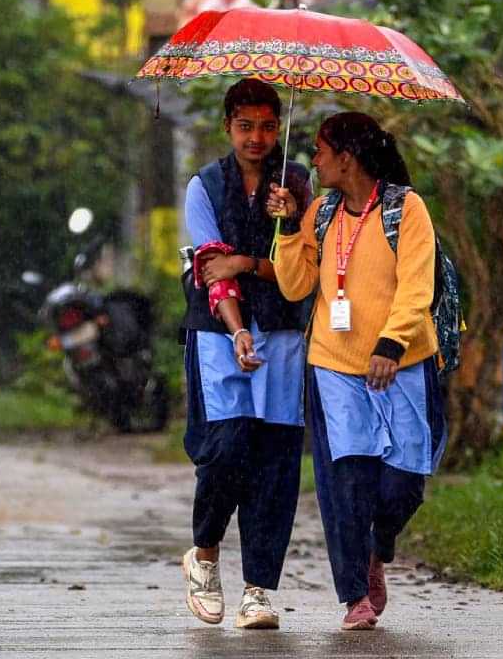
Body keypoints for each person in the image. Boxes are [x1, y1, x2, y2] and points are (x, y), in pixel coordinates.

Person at [268, 112, 445, 631]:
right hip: (334, 364)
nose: (314, 160)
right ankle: (354, 596)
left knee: (404, 481)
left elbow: (418, 286)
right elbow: (296, 286)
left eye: (322, 151)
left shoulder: (405, 209)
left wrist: (391, 344)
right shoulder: (320, 212)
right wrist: (285, 227)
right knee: (345, 481)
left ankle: (378, 547)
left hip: (402, 362)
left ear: (347, 158)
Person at [179, 78, 311, 630]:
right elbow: (213, 270)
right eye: (244, 126)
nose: (256, 137)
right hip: (219, 333)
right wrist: (237, 332)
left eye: (265, 126)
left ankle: (259, 589)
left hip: (283, 335)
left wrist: (290, 223)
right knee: (227, 447)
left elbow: (304, 270)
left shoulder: (299, 186)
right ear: (228, 127)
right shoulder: (204, 187)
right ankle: (205, 554)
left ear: (278, 128)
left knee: (276, 464)